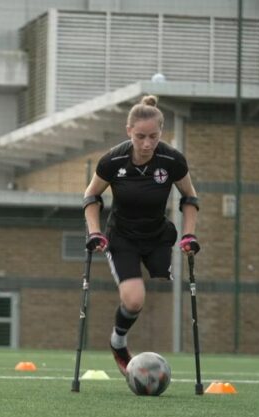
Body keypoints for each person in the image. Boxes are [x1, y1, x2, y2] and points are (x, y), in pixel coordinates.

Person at [83, 95, 200, 376]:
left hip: (158, 234)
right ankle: (118, 343)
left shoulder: (172, 159)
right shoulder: (113, 160)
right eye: (140, 137)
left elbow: (190, 197)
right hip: (122, 236)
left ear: (161, 133)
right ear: (128, 132)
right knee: (135, 300)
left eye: (153, 136)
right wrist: (95, 231)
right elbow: (91, 195)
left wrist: (189, 235)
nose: (147, 144)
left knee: (159, 282)